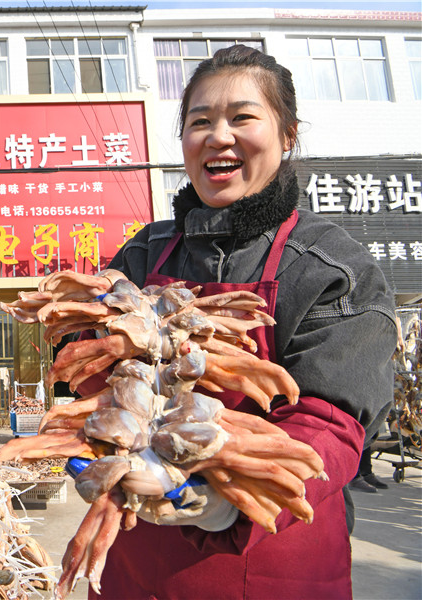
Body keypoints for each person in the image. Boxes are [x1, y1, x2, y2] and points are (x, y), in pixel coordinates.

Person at [77, 45, 397, 598]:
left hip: (275, 558)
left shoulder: (331, 266)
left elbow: (333, 419)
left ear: (288, 135)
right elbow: (90, 367)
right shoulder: (141, 255)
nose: (218, 136)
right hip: (133, 562)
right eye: (199, 121)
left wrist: (231, 494)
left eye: (242, 117)